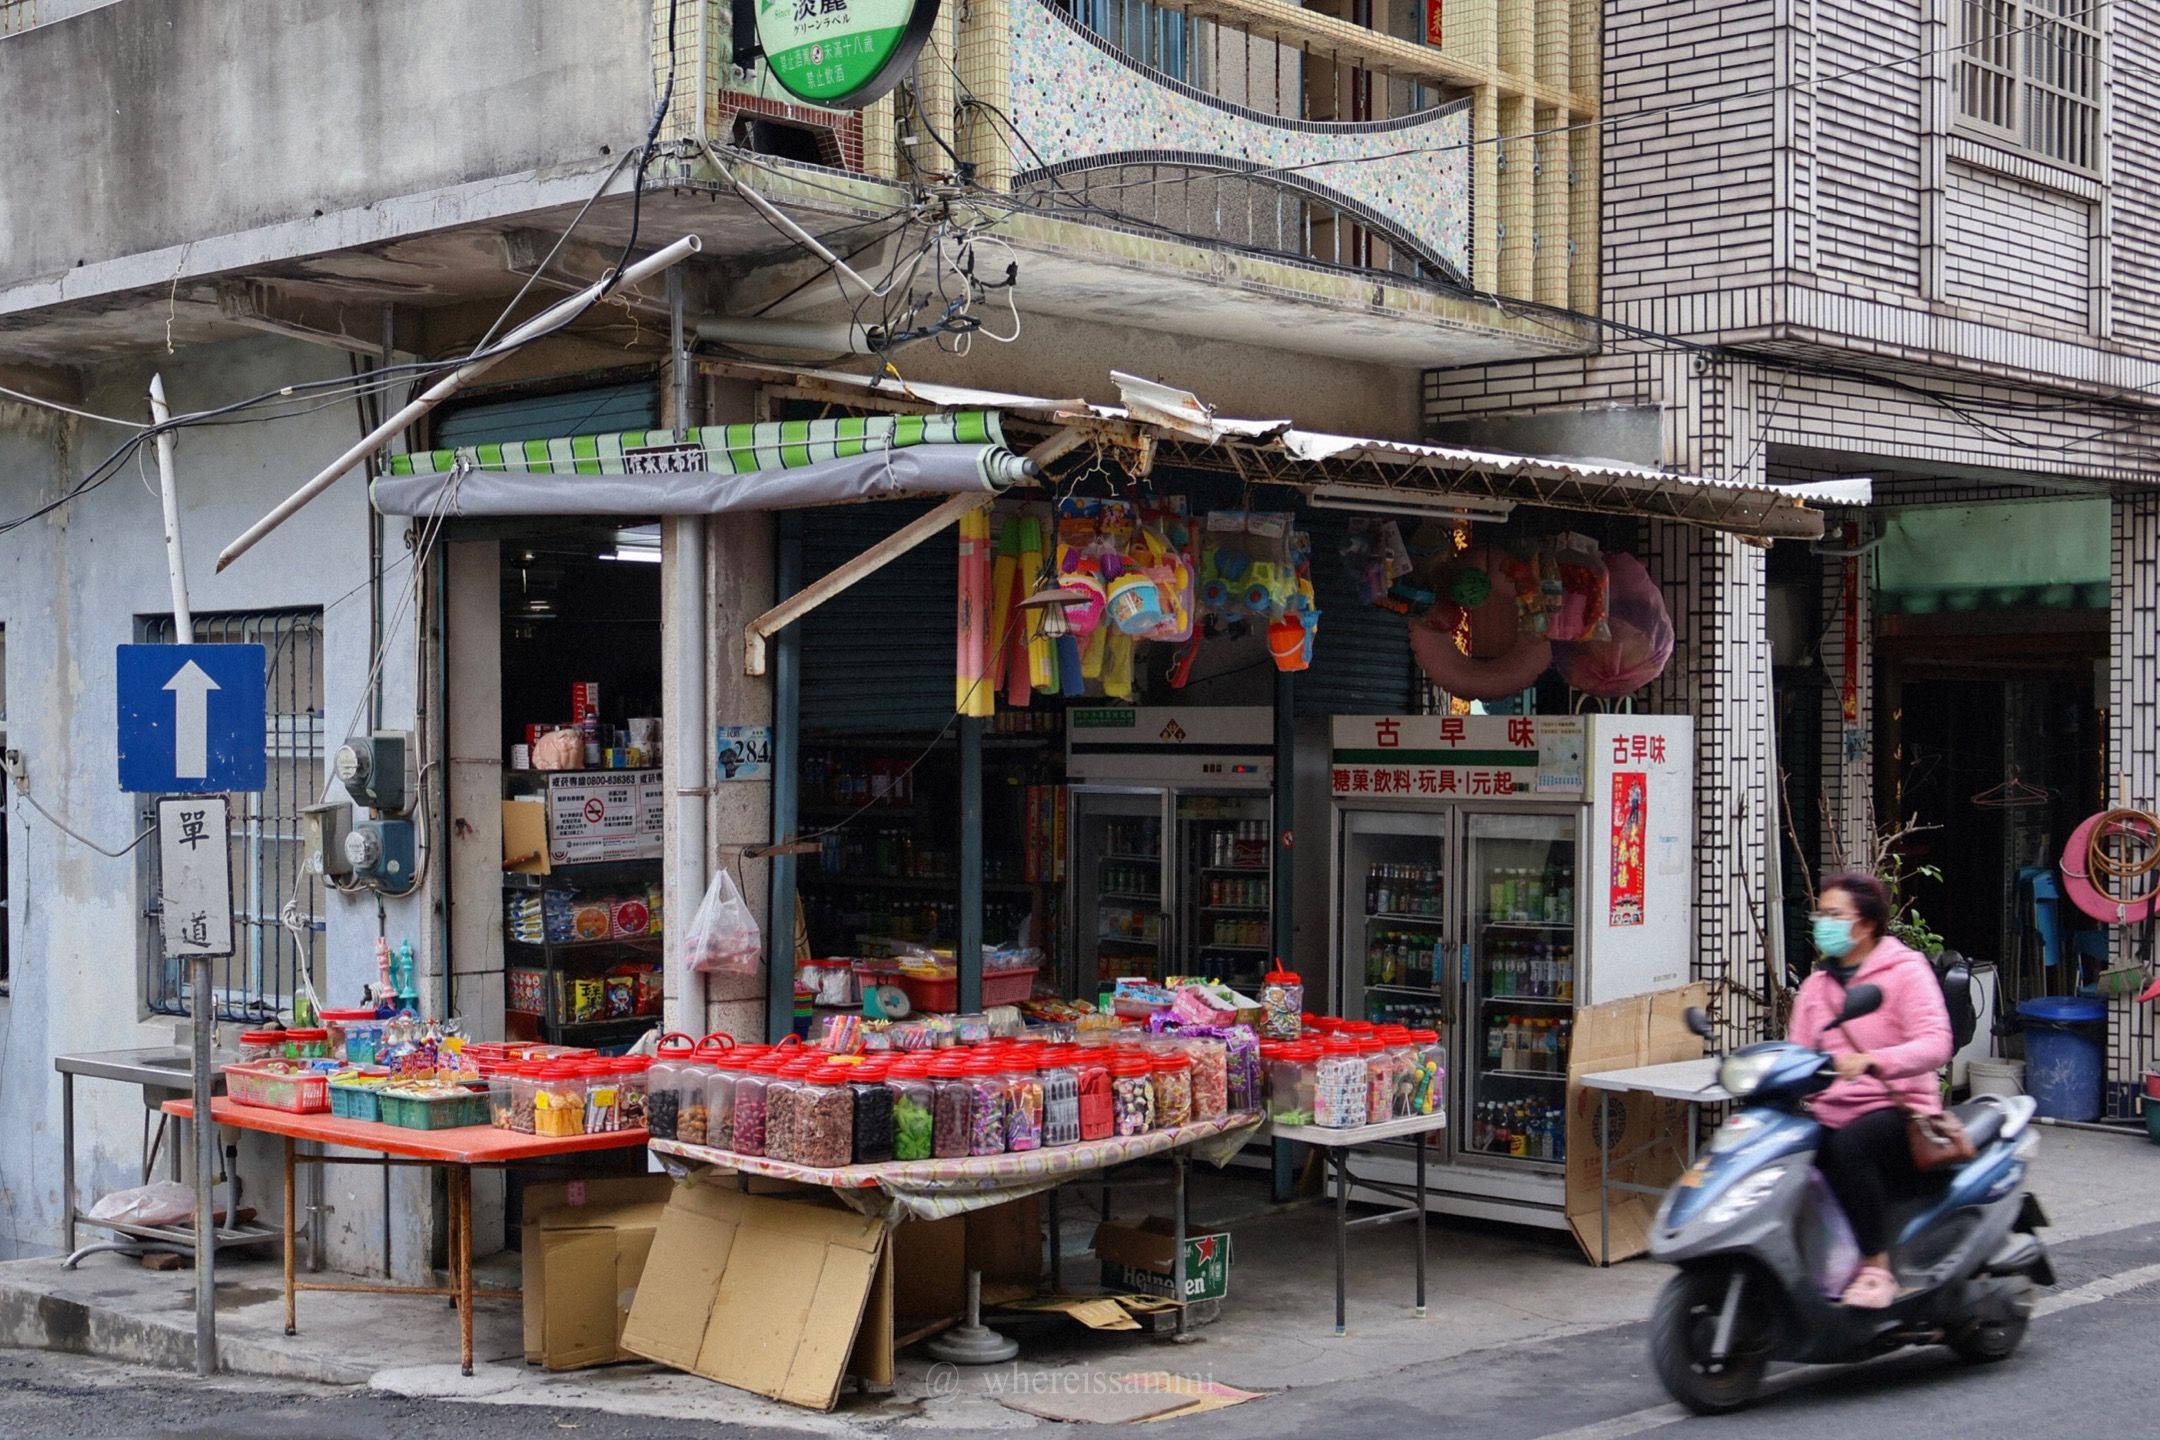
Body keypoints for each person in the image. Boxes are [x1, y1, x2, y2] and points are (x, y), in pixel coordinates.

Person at [1787, 872, 1953, 1309]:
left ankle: (1877, 1268)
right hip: (1832, 1108)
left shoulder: (1905, 971)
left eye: (1833, 915)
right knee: (1784, 1149)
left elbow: (1937, 1042)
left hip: (1899, 1109)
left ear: (1864, 924)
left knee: (1851, 1148)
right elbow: (1797, 1053)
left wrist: (1875, 1060)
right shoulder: (1816, 986)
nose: (1822, 923)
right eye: (1819, 914)